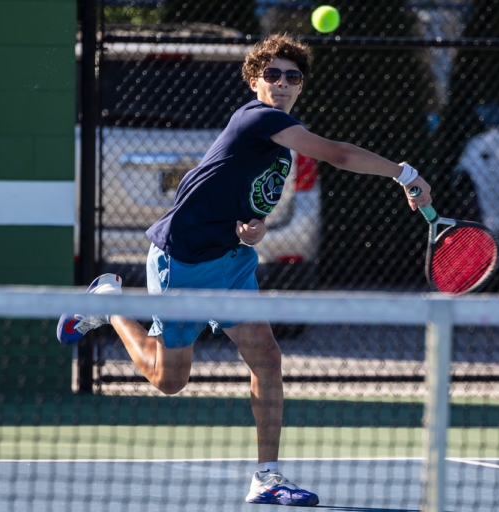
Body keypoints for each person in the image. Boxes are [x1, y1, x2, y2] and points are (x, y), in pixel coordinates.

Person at [57, 34, 432, 507]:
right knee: (170, 382)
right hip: (185, 262)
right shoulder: (257, 118)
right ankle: (110, 303)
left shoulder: (279, 149)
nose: (282, 83)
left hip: (231, 263)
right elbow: (336, 154)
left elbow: (252, 207)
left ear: (301, 87)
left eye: (292, 77)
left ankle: (267, 478)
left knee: (267, 357)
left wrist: (252, 231)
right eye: (271, 74)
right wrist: (404, 173)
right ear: (255, 82)